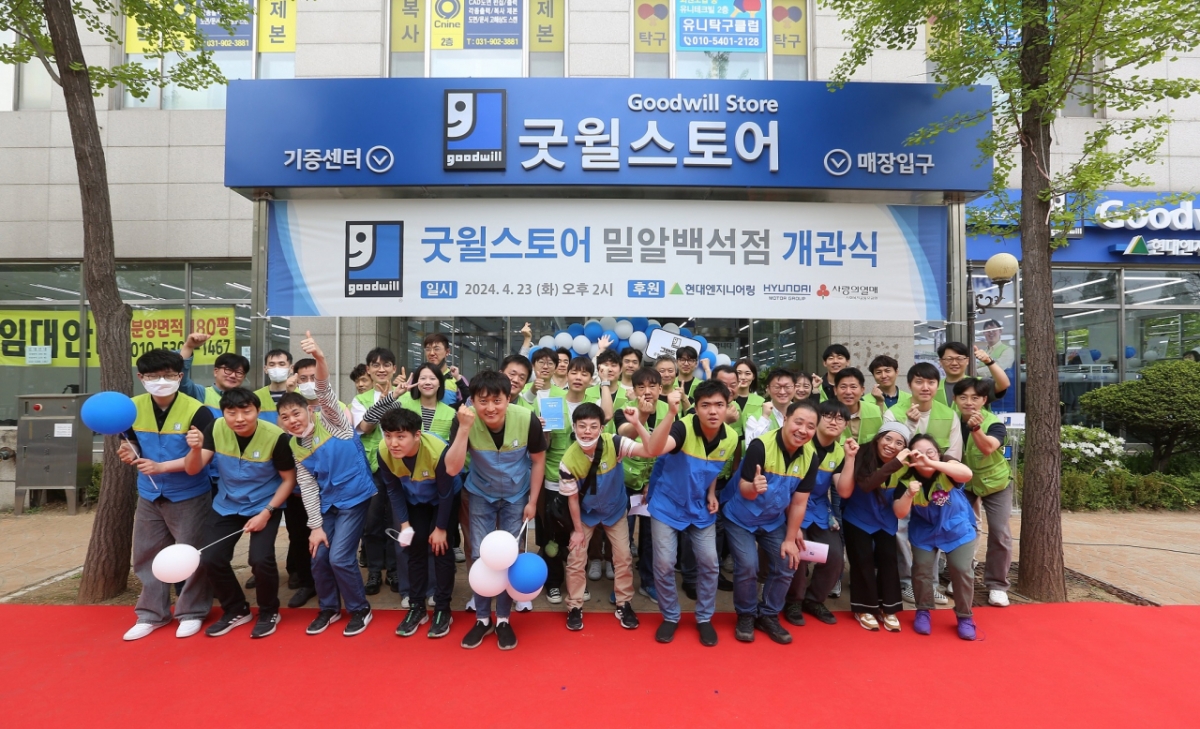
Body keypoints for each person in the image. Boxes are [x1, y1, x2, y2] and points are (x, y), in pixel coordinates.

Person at [276, 333, 378, 637]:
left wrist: (320, 358)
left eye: (296, 413)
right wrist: (316, 526)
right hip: (329, 503)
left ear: (309, 410)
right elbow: (308, 487)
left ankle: (360, 609)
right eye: (285, 417)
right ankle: (330, 608)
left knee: (340, 558)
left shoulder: (332, 420)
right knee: (319, 554)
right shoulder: (294, 446)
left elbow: (323, 388)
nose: (292, 420)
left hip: (355, 497)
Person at [445, 371, 547, 650]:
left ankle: (503, 619)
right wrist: (464, 429)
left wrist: (532, 501)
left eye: (497, 400)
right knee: (480, 556)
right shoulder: (464, 419)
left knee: (509, 557)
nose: (490, 408)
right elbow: (452, 468)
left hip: (517, 495)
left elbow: (538, 460)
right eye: (483, 401)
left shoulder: (526, 419)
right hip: (480, 493)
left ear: (508, 398)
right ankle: (482, 619)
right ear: (473, 401)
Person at [119, 349, 216, 641]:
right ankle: (151, 614)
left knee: (191, 554)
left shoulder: (198, 411)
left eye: (168, 375)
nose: (161, 381)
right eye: (153, 376)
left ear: (179, 376)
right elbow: (131, 442)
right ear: (141, 377)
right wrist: (129, 452)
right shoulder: (131, 409)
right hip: (149, 493)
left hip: (189, 493)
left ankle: (192, 611)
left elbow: (200, 459)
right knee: (146, 554)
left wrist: (162, 466)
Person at [184, 388, 296, 638]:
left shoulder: (276, 437)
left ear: (258, 411)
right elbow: (193, 469)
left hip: (265, 504)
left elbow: (289, 480)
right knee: (210, 558)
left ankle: (269, 611)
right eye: (231, 412)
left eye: (246, 411)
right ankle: (236, 609)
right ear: (223, 413)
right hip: (227, 503)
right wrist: (195, 449)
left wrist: (266, 513)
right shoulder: (216, 427)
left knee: (260, 559)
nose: (239, 418)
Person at [559, 402, 674, 632]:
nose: (587, 431)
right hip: (586, 513)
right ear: (574, 427)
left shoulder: (614, 442)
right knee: (576, 558)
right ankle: (574, 606)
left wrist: (637, 423)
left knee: (623, 557)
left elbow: (650, 450)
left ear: (601, 428)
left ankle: (624, 603)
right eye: (582, 426)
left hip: (615, 510)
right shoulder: (567, 461)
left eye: (593, 426)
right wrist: (578, 531)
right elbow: (572, 500)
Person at [646, 380, 735, 647]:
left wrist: (711, 493)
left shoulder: (731, 438)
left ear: (727, 407)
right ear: (695, 408)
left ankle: (704, 617)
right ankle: (670, 616)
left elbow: (713, 468)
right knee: (664, 564)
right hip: (667, 504)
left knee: (710, 563)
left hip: (700, 507)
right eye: (705, 405)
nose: (713, 411)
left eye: (719, 405)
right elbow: (655, 449)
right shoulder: (682, 427)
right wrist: (671, 414)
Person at [723, 400, 819, 645]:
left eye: (810, 426)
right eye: (798, 422)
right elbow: (744, 489)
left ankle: (768, 614)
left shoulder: (810, 457)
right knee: (748, 565)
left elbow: (799, 502)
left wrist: (790, 537)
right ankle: (746, 614)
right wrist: (754, 488)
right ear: (785, 419)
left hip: (773, 520)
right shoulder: (760, 446)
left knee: (788, 561)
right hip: (741, 517)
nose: (803, 430)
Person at [377, 408, 459, 639]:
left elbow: (445, 494)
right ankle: (417, 607)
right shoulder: (383, 452)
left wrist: (440, 528)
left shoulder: (438, 451)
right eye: (388, 435)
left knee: (441, 549)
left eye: (400, 436)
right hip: (414, 500)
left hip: (443, 499)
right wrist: (404, 525)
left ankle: (443, 608)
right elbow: (393, 490)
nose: (393, 443)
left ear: (416, 435)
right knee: (415, 547)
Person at [883, 362, 961, 606]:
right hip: (901, 482)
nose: (925, 387)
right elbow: (887, 450)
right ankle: (907, 582)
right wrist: (909, 425)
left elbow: (954, 455)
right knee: (900, 530)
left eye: (930, 382)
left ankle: (931, 584)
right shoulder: (894, 412)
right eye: (919, 382)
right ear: (909, 385)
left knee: (933, 529)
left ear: (938, 386)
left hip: (935, 485)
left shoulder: (949, 414)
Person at [534, 357, 610, 603]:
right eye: (574, 372)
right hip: (553, 479)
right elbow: (544, 447)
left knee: (580, 534)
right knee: (552, 536)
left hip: (583, 481)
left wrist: (605, 382)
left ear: (590, 379)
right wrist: (544, 432)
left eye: (585, 373)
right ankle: (553, 582)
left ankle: (577, 581)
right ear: (565, 374)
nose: (578, 377)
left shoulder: (594, 405)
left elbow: (607, 418)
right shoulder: (551, 402)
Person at [835, 421, 913, 633]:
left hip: (886, 518)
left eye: (899, 443)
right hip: (858, 516)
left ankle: (888, 608)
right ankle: (864, 609)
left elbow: (900, 497)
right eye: (888, 438)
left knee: (889, 559)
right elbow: (866, 485)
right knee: (863, 561)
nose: (891, 445)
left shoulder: (906, 465)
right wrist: (895, 462)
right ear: (878, 438)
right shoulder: (862, 454)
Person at [899, 434, 979, 640]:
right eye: (918, 453)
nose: (924, 456)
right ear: (910, 457)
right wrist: (908, 494)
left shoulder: (947, 467)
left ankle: (965, 616)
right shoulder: (906, 478)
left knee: (961, 570)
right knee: (922, 570)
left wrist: (931, 462)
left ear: (938, 454)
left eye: (930, 452)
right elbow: (899, 512)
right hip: (924, 531)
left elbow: (967, 474)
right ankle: (923, 610)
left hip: (956, 528)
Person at [783, 400, 849, 628]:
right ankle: (793, 601)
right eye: (828, 416)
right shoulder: (801, 444)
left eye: (840, 418)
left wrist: (850, 459)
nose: (834, 421)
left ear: (846, 425)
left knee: (835, 556)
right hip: (791, 504)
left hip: (819, 508)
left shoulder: (840, 452)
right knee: (798, 554)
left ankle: (814, 600)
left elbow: (844, 490)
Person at [613, 366, 673, 603]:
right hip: (625, 483)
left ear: (660, 388)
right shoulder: (624, 410)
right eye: (641, 386)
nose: (647, 391)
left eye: (652, 386)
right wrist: (642, 417)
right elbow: (625, 434)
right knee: (623, 539)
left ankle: (648, 582)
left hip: (656, 486)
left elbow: (672, 449)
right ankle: (622, 584)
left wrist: (653, 482)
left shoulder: (671, 412)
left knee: (651, 538)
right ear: (634, 389)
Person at [954, 377, 1013, 607]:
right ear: (955, 399)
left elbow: (988, 447)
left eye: (975, 397)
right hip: (964, 483)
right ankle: (962, 576)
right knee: (960, 529)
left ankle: (997, 585)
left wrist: (976, 428)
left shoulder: (994, 423)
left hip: (996, 483)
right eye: (963, 397)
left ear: (984, 400)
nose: (969, 402)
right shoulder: (950, 420)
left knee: (999, 532)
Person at [351, 348, 400, 598]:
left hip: (399, 468)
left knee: (395, 521)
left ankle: (393, 570)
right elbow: (365, 427)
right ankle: (373, 571)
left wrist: (395, 398)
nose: (381, 369)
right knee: (371, 523)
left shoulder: (405, 395)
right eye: (376, 365)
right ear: (368, 369)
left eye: (386, 364)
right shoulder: (360, 400)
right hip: (371, 469)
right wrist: (386, 401)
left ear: (393, 368)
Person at [936, 341, 1011, 409]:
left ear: (967, 361)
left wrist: (989, 361)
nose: (954, 363)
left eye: (959, 358)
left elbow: (1004, 384)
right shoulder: (933, 387)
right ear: (941, 362)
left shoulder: (979, 383)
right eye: (949, 359)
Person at [744, 367, 796, 441]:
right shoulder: (755, 417)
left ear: (795, 388)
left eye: (787, 387)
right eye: (777, 387)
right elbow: (751, 445)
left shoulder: (802, 412)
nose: (782, 392)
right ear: (768, 389)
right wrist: (764, 419)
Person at [834, 368, 883, 444]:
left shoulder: (875, 411)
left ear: (862, 390)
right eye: (843, 387)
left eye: (853, 387)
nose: (848, 392)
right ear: (835, 390)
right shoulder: (826, 414)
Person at [423, 333, 469, 407]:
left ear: (447, 352)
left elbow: (469, 403)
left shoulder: (458, 379)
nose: (431, 353)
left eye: (436, 349)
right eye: (428, 349)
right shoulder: (418, 378)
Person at [731, 358, 765, 439]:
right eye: (739, 373)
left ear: (753, 376)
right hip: (728, 444)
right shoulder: (726, 399)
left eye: (747, 374)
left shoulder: (761, 402)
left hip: (752, 444)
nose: (743, 377)